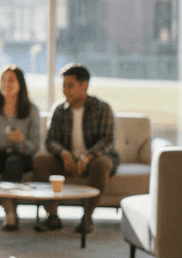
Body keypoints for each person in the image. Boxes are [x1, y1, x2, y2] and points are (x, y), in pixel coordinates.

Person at [33, 63, 118, 234]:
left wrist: (87, 157)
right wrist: (64, 154)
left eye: (69, 86)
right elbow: (51, 141)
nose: (65, 90)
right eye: (63, 85)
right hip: (67, 161)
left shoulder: (102, 108)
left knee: (101, 164)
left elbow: (108, 141)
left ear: (84, 85)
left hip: (95, 159)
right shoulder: (59, 110)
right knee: (40, 161)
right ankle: (52, 217)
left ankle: (87, 218)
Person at [0, 65, 41, 230]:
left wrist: (21, 141)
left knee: (13, 161)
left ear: (21, 84)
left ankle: (10, 214)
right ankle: (10, 212)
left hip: (21, 155)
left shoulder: (32, 110)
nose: (7, 84)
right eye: (4, 80)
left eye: (11, 80)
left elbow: (35, 145)